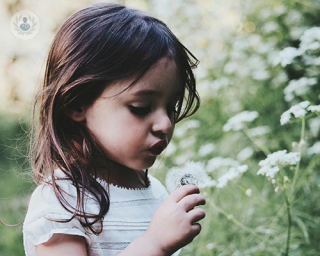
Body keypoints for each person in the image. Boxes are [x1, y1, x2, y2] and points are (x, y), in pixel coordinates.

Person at [23, 3, 205, 256]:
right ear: (77, 103)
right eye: (141, 107)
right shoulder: (60, 203)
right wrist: (155, 244)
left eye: (171, 107)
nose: (165, 124)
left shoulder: (156, 192)